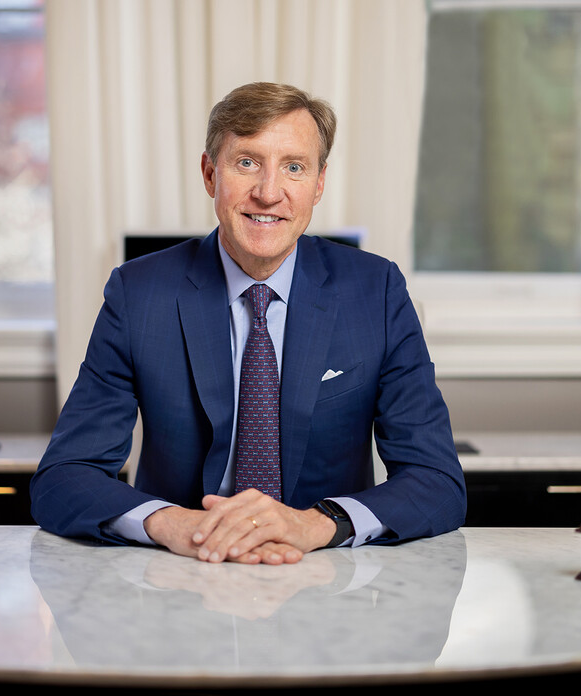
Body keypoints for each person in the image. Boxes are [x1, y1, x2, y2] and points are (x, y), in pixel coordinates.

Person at [31, 82, 466, 565]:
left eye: (294, 168)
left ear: (318, 184)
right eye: (247, 163)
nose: (268, 193)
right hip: (181, 572)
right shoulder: (140, 293)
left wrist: (318, 523)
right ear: (209, 172)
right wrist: (175, 524)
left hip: (326, 574)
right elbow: (64, 477)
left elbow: (437, 481)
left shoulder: (375, 291)